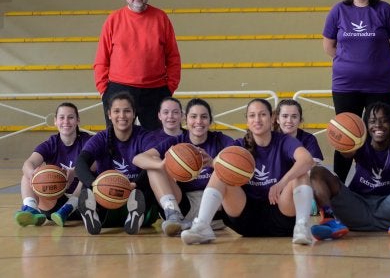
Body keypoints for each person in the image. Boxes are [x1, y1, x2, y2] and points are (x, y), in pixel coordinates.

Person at [180, 98, 316, 245]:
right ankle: (202, 226)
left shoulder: (284, 141)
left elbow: (307, 160)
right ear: (247, 121)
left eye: (262, 114)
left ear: (272, 119)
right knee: (222, 170)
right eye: (252, 115)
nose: (257, 119)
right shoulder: (239, 145)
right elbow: (222, 168)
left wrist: (282, 183)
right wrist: (213, 162)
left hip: (282, 215)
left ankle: (302, 226)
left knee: (301, 173)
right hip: (246, 218)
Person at [322, 0, 390, 183]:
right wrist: (349, 63)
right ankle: (337, 189)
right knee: (345, 136)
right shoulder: (338, 10)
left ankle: (375, 184)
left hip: (380, 86)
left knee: (378, 135)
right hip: (345, 86)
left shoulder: (384, 10)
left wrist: (377, 61)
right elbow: (329, 46)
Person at [310, 102, 390, 241]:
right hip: (356, 209)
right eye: (372, 121)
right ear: (365, 125)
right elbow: (347, 154)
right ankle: (329, 221)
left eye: (384, 121)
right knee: (317, 172)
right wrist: (343, 134)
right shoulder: (359, 143)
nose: (378, 125)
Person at [93, 0, 181, 131]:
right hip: (118, 89)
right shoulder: (113, 19)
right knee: (117, 140)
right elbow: (101, 58)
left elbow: (173, 57)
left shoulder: (161, 18)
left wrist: (170, 87)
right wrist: (103, 90)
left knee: (157, 140)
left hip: (156, 90)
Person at [133, 98, 234, 236]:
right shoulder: (177, 142)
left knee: (227, 167)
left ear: (210, 121)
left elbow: (236, 161)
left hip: (215, 207)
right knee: (153, 165)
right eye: (193, 117)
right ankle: (173, 214)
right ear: (185, 120)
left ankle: (199, 223)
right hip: (184, 205)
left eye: (204, 117)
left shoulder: (220, 139)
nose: (198, 121)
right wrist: (163, 164)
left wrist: (212, 162)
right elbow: (138, 158)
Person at [75, 92, 160, 235]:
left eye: (127, 111)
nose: (122, 116)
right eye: (116, 111)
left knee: (154, 168)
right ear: (109, 114)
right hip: (108, 196)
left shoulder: (144, 136)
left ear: (134, 114)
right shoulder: (101, 137)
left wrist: (136, 184)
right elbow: (81, 162)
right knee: (87, 184)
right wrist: (94, 184)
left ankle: (135, 213)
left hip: (136, 192)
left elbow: (155, 161)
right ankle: (93, 211)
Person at [14, 102, 92, 227]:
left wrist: (76, 172)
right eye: (61, 117)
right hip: (55, 203)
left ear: (78, 120)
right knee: (28, 175)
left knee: (87, 174)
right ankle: (31, 209)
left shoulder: (87, 141)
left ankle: (68, 208)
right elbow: (28, 163)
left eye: (70, 117)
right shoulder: (51, 143)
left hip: (81, 203)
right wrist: (32, 173)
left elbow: (96, 164)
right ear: (55, 121)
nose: (66, 121)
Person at [273, 99, 324, 164]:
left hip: (303, 174)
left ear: (300, 120)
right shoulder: (270, 139)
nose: (289, 121)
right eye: (285, 116)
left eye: (294, 117)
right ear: (277, 119)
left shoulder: (309, 139)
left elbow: (314, 167)